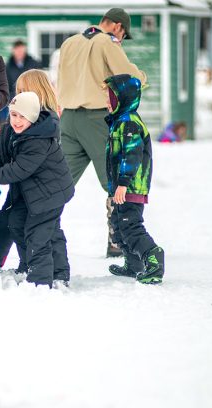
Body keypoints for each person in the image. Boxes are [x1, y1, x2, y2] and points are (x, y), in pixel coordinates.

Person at [57, 7, 146, 257]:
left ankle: (41, 228)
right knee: (115, 181)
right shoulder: (107, 43)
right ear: (117, 27)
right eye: (124, 35)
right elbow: (129, 76)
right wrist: (143, 77)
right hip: (97, 118)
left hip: (68, 118)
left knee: (58, 182)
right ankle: (119, 239)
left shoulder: (70, 42)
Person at [0, 92, 74, 288]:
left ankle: (41, 282)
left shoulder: (39, 139)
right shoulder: (10, 131)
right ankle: (33, 266)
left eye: (23, 117)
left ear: (33, 117)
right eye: (14, 115)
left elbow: (18, 170)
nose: (17, 121)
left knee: (38, 236)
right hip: (31, 193)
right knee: (16, 223)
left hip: (50, 194)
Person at [0, 69, 61, 273]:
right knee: (15, 222)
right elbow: (2, 147)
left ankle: (52, 272)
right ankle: (24, 263)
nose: (17, 96)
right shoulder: (18, 119)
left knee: (41, 230)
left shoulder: (44, 123)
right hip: (25, 184)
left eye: (22, 91)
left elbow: (23, 161)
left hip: (41, 188)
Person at [104, 74, 164, 284]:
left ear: (123, 99)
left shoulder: (129, 123)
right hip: (122, 187)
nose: (107, 101)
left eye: (111, 97)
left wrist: (123, 183)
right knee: (119, 225)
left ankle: (154, 259)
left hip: (131, 187)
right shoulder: (119, 121)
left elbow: (132, 155)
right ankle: (134, 264)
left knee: (131, 226)